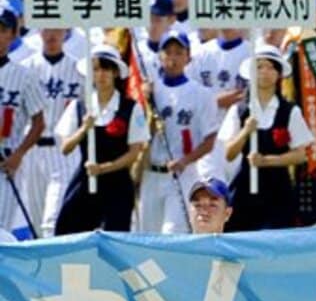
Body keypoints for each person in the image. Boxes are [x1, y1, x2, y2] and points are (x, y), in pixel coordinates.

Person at [218, 43, 315, 231]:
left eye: (271, 67)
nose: (265, 72)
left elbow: (301, 154)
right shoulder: (239, 110)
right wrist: (245, 131)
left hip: (278, 188)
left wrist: (267, 161)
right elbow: (229, 153)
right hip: (245, 187)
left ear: (278, 74)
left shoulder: (290, 111)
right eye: (260, 66)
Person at [54, 44, 148, 235]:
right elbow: (65, 147)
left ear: (115, 72)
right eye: (95, 69)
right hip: (85, 178)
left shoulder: (130, 107)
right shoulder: (79, 106)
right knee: (69, 229)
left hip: (117, 183)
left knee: (115, 236)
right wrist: (83, 129)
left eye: (106, 68)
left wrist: (104, 168)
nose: (101, 74)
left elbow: (134, 152)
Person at [139, 29, 219, 234]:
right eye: (168, 52)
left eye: (178, 52)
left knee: (173, 232)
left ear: (188, 57)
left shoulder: (201, 94)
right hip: (152, 172)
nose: (172, 58)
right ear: (160, 56)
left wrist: (185, 160)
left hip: (183, 173)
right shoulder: (150, 91)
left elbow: (210, 140)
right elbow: (139, 135)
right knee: (148, 234)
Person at [21, 26, 84, 235]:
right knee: (36, 222)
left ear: (66, 31)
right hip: (31, 151)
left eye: (57, 29)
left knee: (52, 221)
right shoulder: (26, 68)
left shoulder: (80, 69)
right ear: (39, 31)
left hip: (64, 150)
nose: (52, 34)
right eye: (47, 28)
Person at [0, 4, 48, 239]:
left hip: (6, 161)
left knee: (2, 233)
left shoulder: (24, 74)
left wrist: (19, 154)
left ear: (12, 34)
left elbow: (39, 122)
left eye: (2, 29)